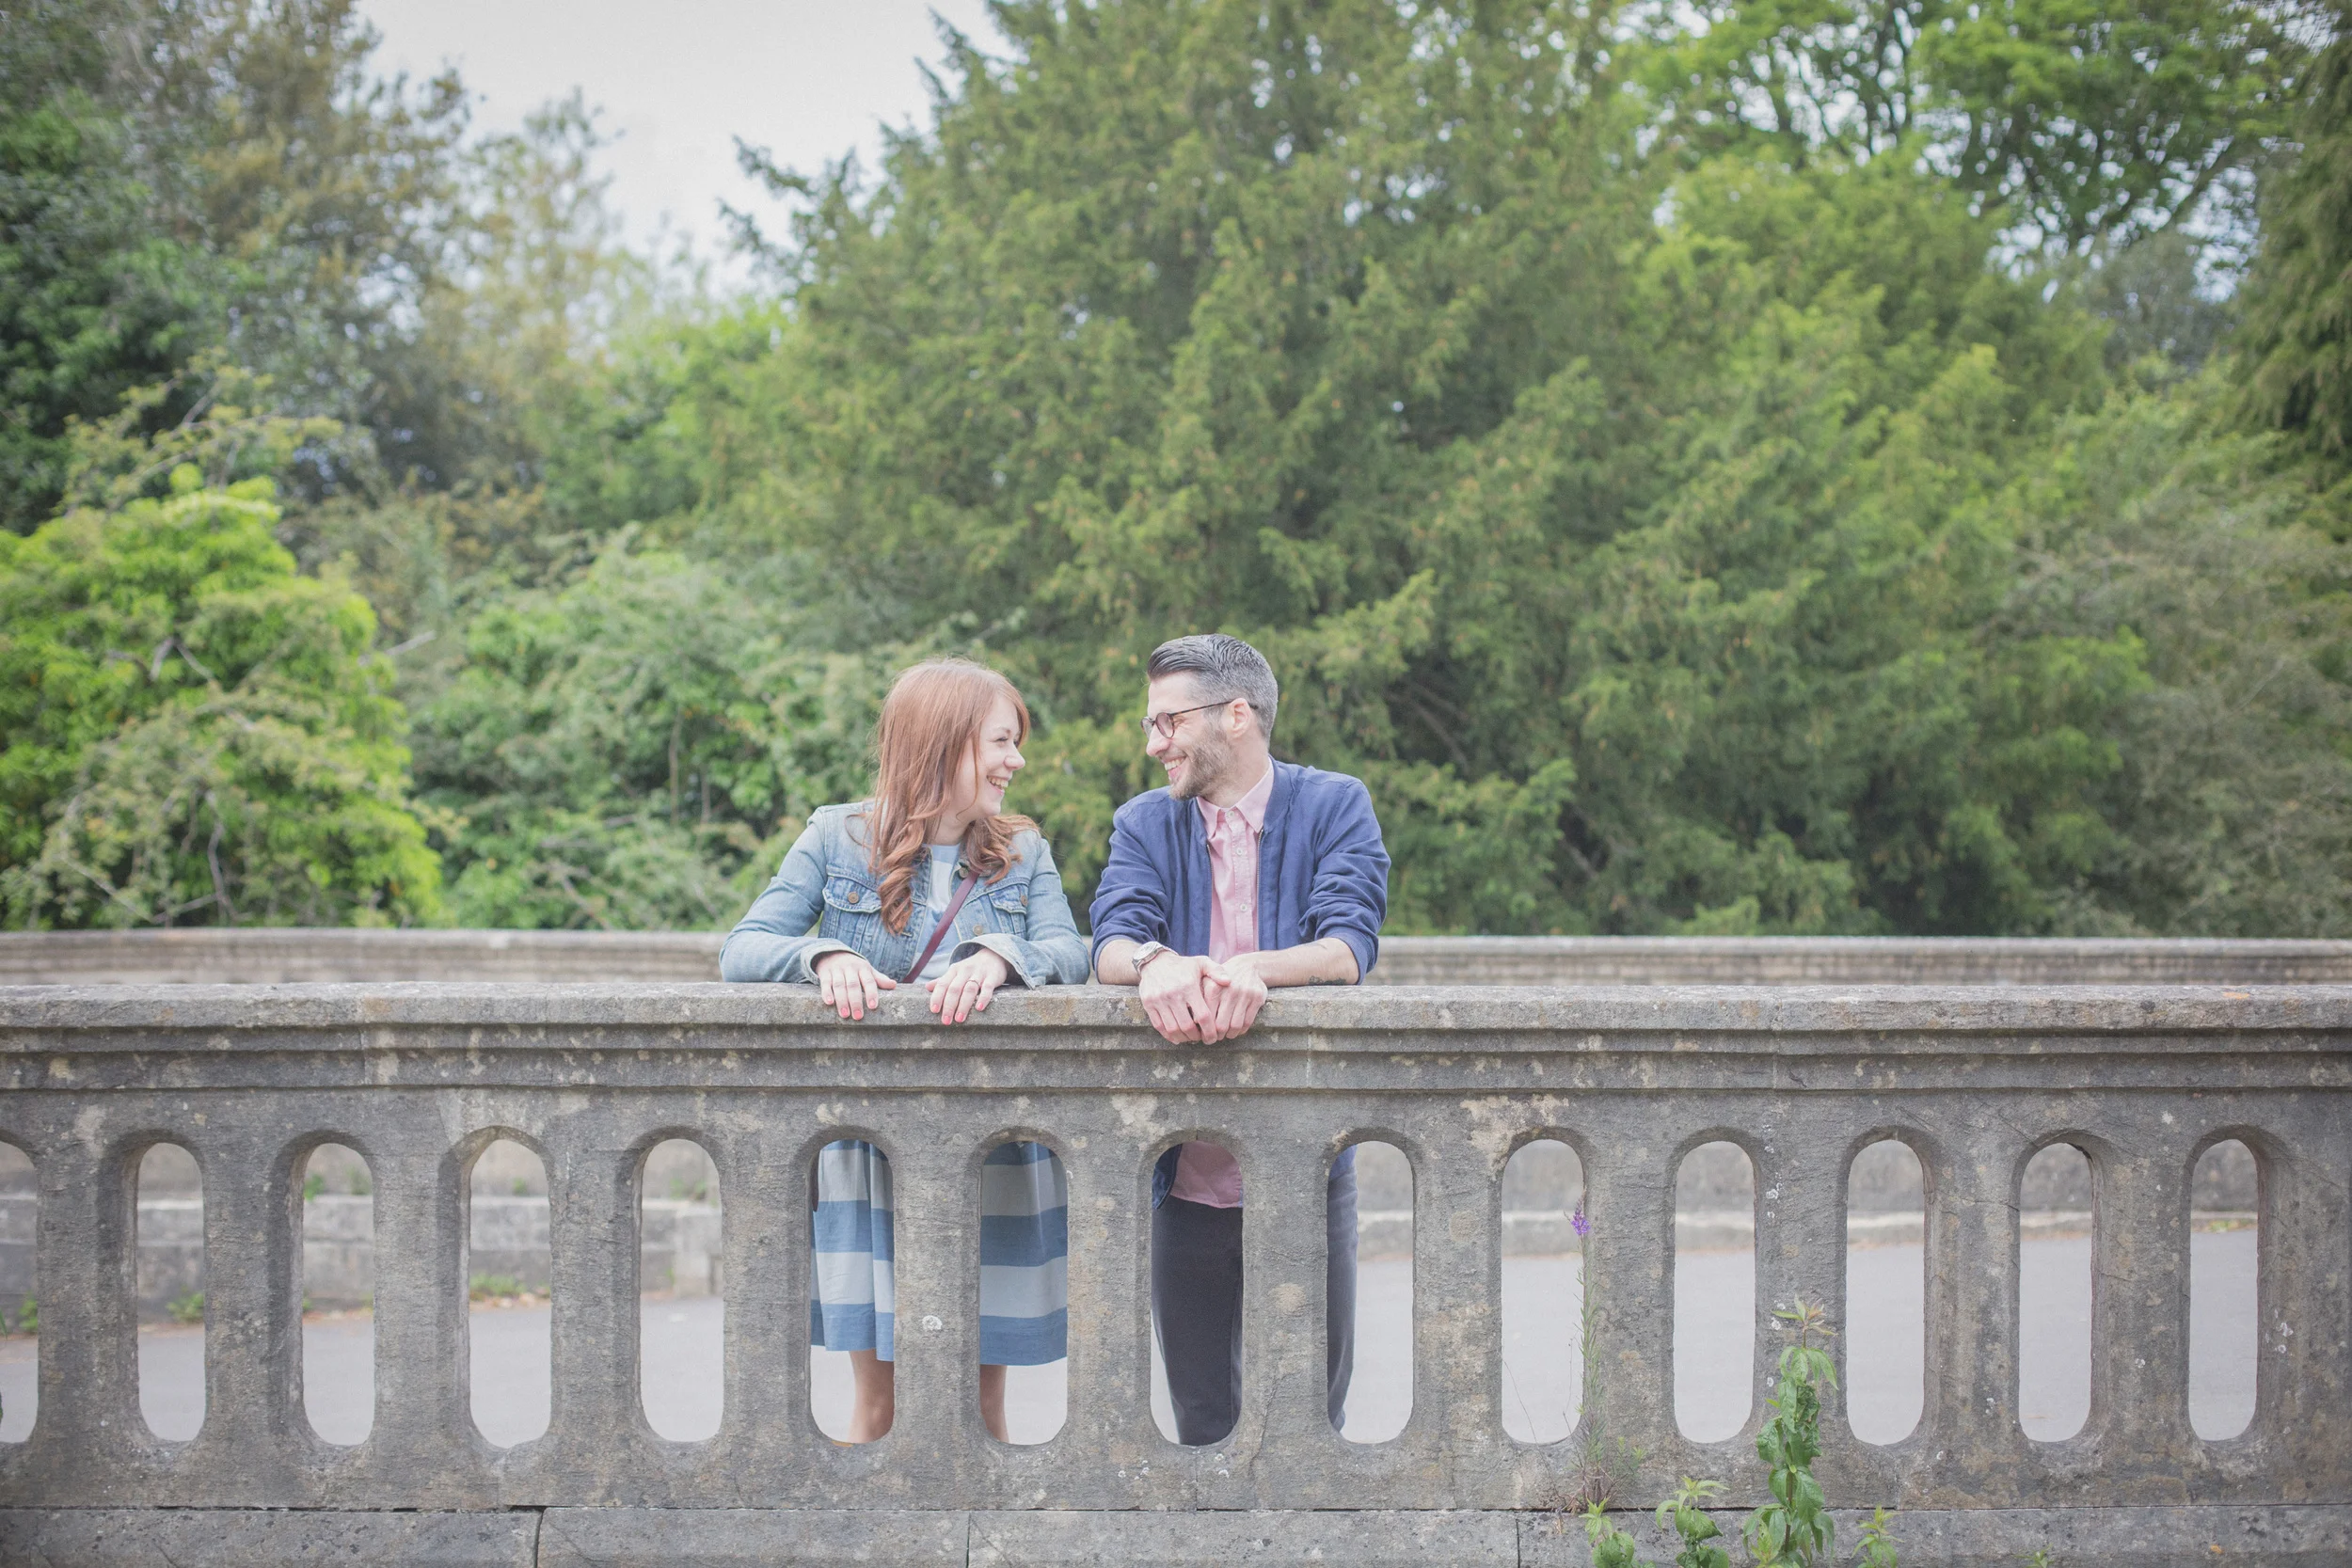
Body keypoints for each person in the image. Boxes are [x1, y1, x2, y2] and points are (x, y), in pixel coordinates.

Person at [722, 658, 1089, 1443]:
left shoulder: (1024, 851)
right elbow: (743, 947)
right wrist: (821, 956)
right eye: (1000, 740)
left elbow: (1070, 949)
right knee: (879, 1407)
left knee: (983, 1410)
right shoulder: (835, 835)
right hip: (868, 1150)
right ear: (942, 742)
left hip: (996, 1152)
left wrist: (1000, 956)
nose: (1014, 760)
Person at [1089, 633, 1390, 1444]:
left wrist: (1250, 969)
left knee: (1309, 1418)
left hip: (1305, 1162)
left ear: (1236, 714)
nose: (1153, 744)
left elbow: (1347, 947)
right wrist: (1155, 963)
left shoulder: (1335, 803)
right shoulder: (1145, 821)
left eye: (1166, 722)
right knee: (1201, 1418)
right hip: (1184, 1175)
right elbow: (1111, 939)